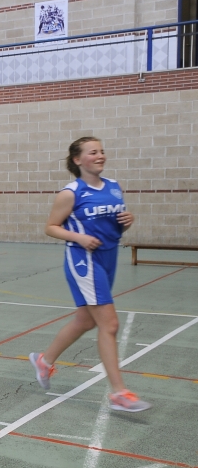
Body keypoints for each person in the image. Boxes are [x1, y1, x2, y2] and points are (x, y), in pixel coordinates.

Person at [29, 137, 148, 412]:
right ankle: (119, 393)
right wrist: (79, 238)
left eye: (102, 151)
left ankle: (44, 361)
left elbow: (113, 226)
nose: (100, 155)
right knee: (109, 324)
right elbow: (51, 227)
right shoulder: (71, 192)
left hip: (108, 257)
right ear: (77, 159)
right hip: (84, 260)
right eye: (93, 152)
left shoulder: (114, 187)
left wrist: (127, 221)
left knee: (85, 321)